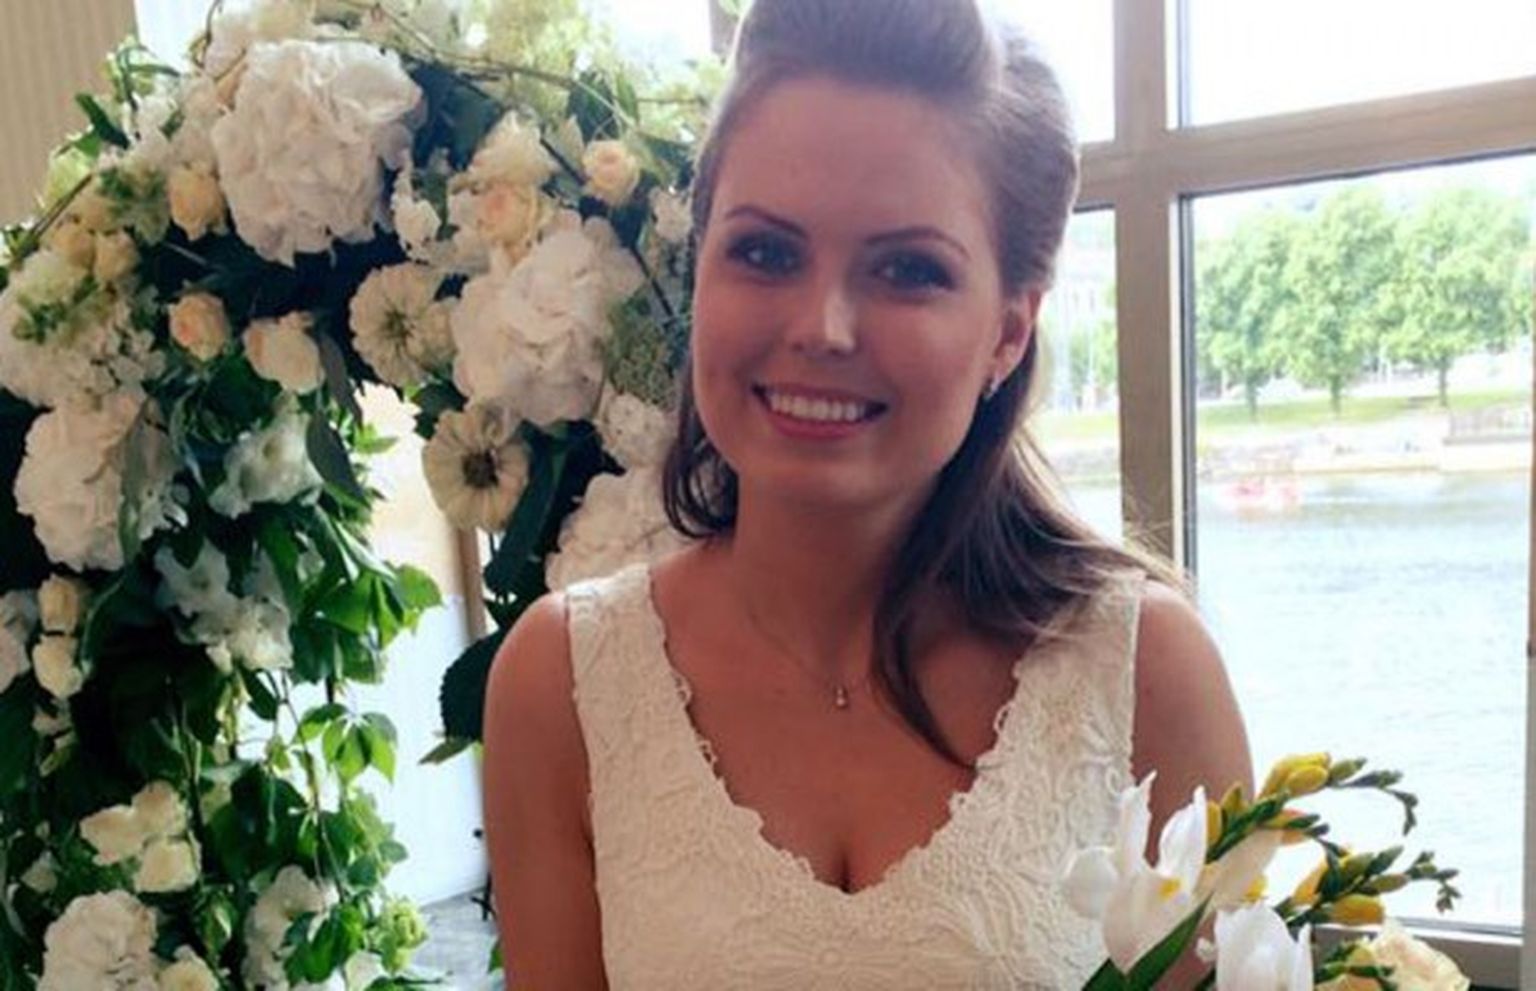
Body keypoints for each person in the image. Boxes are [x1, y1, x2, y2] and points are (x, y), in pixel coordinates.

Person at [482, 0, 1251, 987]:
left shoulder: (1147, 674)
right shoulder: (561, 686)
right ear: (701, 269)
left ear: (1008, 330)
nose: (823, 327)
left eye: (907, 270)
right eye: (765, 252)